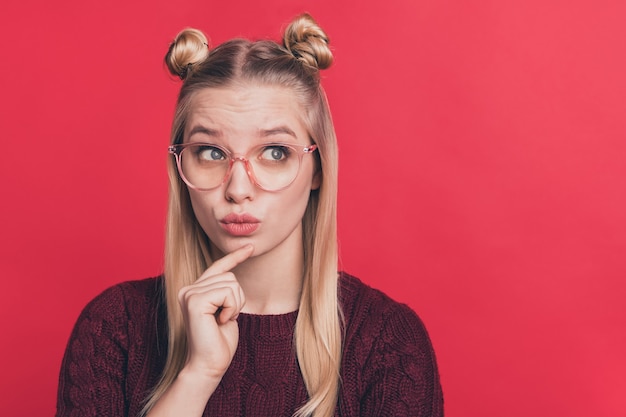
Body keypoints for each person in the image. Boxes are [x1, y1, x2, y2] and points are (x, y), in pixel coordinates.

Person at [56, 13, 444, 417]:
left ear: (318, 170)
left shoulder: (387, 341)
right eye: (210, 152)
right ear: (179, 166)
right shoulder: (114, 329)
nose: (238, 189)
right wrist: (197, 376)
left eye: (275, 152)